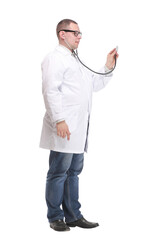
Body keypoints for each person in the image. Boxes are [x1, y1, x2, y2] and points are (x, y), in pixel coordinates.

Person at [39, 19, 119, 232]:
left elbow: (93, 85)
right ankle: (55, 217)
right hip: (64, 127)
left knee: (73, 172)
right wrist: (59, 120)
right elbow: (50, 91)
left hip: (78, 129)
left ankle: (73, 215)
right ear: (61, 34)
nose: (79, 36)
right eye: (75, 33)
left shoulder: (74, 61)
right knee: (58, 172)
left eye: (80, 33)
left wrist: (108, 65)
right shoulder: (54, 59)